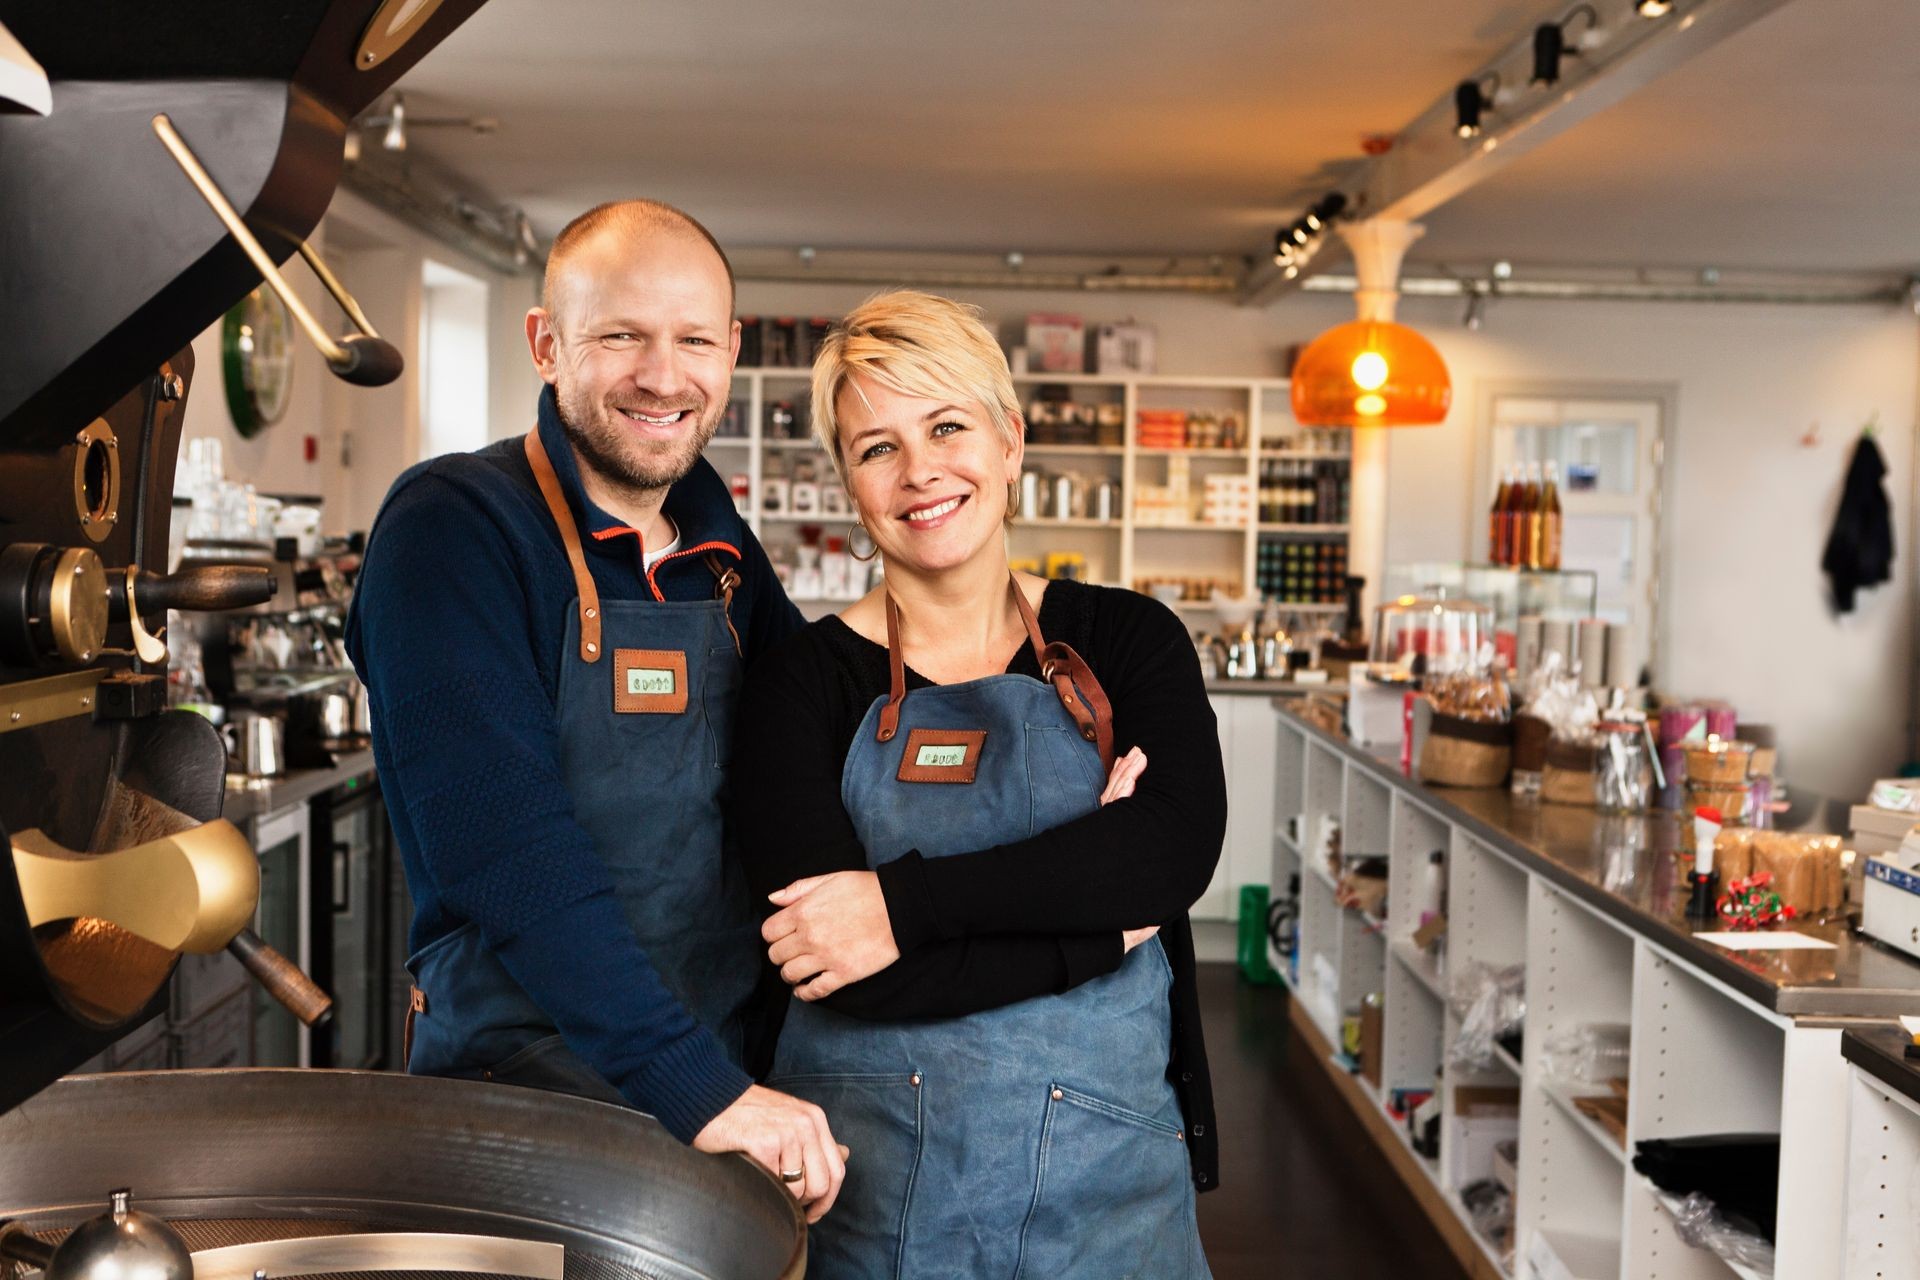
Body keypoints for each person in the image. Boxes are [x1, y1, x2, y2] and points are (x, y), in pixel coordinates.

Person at [346, 199, 846, 1219]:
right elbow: (506, 845)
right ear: (546, 343)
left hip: (711, 1071)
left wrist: (1045, 742)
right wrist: (700, 1089)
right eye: (621, 335)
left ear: (734, 350)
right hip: (526, 1098)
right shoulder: (455, 526)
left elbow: (829, 728)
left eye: (694, 339)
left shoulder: (720, 552)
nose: (664, 376)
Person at [732, 290, 1223, 1276]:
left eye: (947, 425)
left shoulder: (1128, 639)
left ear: (1009, 442)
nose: (920, 472)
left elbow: (1168, 849)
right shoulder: (799, 678)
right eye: (877, 448)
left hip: (1110, 1193)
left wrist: (899, 904)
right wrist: (1095, 926)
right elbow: (831, 957)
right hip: (870, 1196)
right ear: (848, 484)